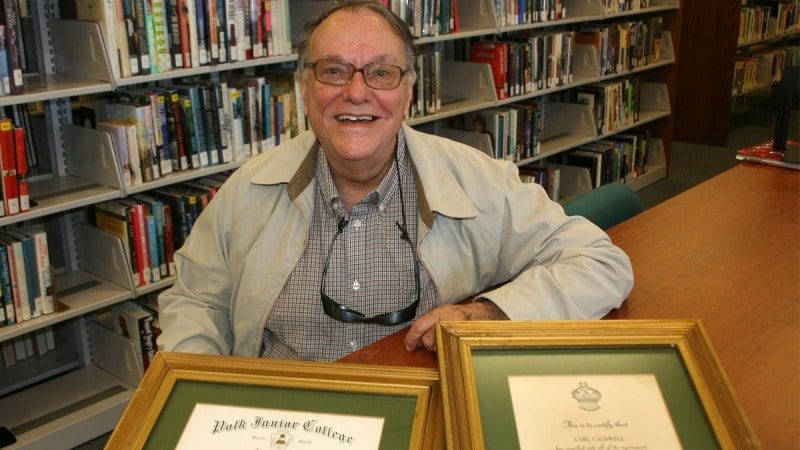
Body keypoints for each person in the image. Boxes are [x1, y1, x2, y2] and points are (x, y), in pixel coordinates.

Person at [158, 0, 633, 361]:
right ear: (304, 87)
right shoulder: (248, 189)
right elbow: (194, 301)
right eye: (334, 71)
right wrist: (203, 395)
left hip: (423, 411)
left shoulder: (477, 181)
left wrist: (487, 314)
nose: (357, 92)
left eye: (381, 73)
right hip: (284, 421)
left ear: (409, 90)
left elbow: (601, 263)